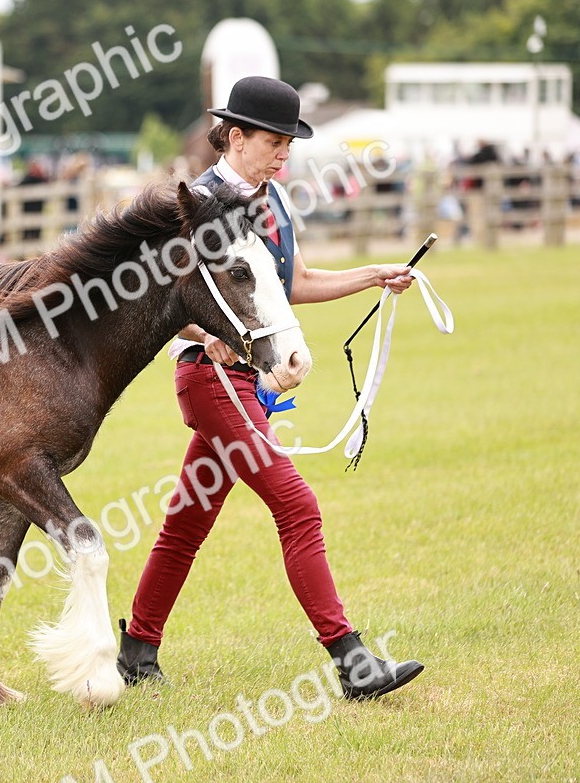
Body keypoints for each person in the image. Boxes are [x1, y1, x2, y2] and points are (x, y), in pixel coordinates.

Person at [116, 76, 425, 701]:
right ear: (234, 137)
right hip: (210, 378)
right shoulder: (192, 205)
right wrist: (207, 332)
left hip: (251, 382)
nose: (285, 152)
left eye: (290, 142)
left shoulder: (275, 201)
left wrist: (374, 274)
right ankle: (351, 661)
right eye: (274, 140)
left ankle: (137, 651)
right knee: (296, 503)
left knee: (187, 522)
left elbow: (295, 283)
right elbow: (165, 296)